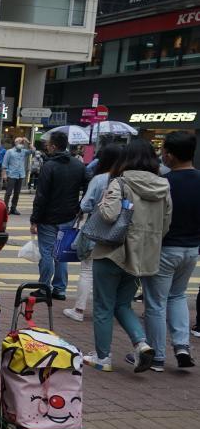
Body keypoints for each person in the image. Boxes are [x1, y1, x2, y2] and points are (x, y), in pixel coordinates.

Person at [83, 139, 172, 373]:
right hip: (141, 256)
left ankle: (103, 357)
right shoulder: (163, 187)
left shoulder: (120, 183)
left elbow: (110, 215)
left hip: (112, 252)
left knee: (103, 306)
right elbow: (165, 225)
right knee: (123, 304)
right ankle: (141, 344)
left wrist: (104, 201)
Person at [141, 131, 200, 370]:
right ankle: (182, 345)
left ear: (171, 156)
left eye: (164, 151)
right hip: (191, 249)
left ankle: (157, 357)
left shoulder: (164, 184)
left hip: (165, 249)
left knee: (156, 303)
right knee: (178, 296)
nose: (162, 155)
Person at [63, 144, 125, 323]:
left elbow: (85, 205)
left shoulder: (100, 180)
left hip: (95, 230)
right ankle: (110, 310)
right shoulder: (127, 180)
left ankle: (79, 309)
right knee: (111, 273)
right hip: (119, 233)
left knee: (87, 270)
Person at [30, 131, 88, 301]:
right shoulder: (78, 165)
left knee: (46, 252)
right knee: (61, 252)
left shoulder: (49, 166)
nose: (46, 147)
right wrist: (80, 205)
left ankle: (44, 287)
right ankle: (60, 289)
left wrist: (35, 219)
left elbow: (41, 196)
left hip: (48, 218)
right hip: (69, 215)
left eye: (48, 144)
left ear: (54, 146)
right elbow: (88, 185)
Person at [1, 138, 29, 215]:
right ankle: (6, 208)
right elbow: (4, 164)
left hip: (20, 175)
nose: (21, 143)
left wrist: (28, 142)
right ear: (15, 142)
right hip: (11, 174)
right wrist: (4, 174)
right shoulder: (9, 151)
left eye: (22, 142)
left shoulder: (24, 151)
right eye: (20, 142)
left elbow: (33, 151)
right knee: (8, 193)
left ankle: (13, 208)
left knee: (17, 193)